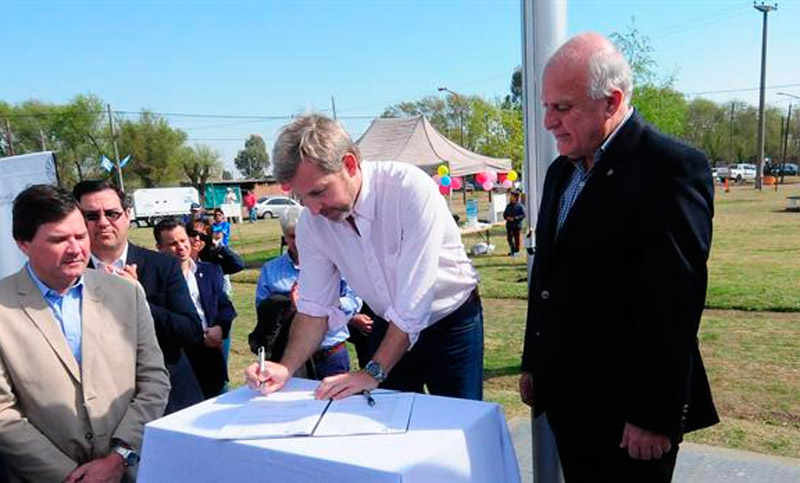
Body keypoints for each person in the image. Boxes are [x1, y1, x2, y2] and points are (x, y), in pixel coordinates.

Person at [518, 33, 718, 481]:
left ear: (611, 102)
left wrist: (652, 414)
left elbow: (674, 305)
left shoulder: (669, 168)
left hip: (629, 417)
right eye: (546, 106)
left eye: (562, 107)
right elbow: (547, 277)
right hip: (570, 402)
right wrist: (535, 360)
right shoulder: (561, 172)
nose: (548, 121)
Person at [245, 114, 483, 401]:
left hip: (450, 320)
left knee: (454, 422)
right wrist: (286, 367)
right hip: (388, 322)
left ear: (349, 164)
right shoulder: (312, 222)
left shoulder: (409, 190)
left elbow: (413, 304)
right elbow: (313, 309)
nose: (314, 209)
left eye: (319, 192)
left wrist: (371, 373)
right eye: (302, 197)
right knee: (384, 424)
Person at [0, 185, 169, 482]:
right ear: (22, 243)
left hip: (130, 472)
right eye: (59, 240)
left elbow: (154, 381)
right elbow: (3, 414)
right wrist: (71, 477)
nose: (76, 249)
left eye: (80, 236)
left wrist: (119, 457)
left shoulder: (126, 293)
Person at [73, 179, 205, 414]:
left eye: (111, 213)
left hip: (168, 400)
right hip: (101, 409)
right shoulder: (70, 274)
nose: (103, 223)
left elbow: (190, 331)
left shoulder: (162, 266)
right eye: (91, 216)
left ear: (127, 215)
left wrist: (138, 299)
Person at [254, 206, 361, 379]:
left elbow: (354, 300)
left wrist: (328, 304)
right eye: (292, 236)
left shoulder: (336, 262)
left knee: (335, 405)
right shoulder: (271, 270)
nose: (298, 241)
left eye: (301, 234)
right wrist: (289, 307)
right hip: (293, 357)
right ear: (284, 237)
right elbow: (263, 313)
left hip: (330, 354)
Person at [155, 219, 236, 398]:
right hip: (179, 360)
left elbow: (225, 306)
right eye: (173, 244)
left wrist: (221, 328)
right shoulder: (156, 281)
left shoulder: (210, 271)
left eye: (183, 241)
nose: (181, 247)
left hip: (210, 353)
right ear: (159, 248)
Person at [503, 191, 526, 256]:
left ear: (515, 198)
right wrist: (507, 217)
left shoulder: (520, 206)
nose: (510, 197)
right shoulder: (508, 206)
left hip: (517, 225)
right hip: (509, 225)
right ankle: (512, 250)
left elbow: (523, 215)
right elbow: (504, 214)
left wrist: (515, 218)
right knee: (509, 238)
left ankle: (517, 251)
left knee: (517, 239)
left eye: (512, 196)